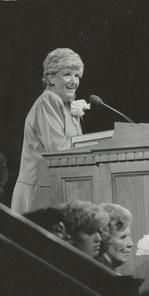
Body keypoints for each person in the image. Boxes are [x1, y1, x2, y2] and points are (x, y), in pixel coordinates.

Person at [11, 48, 89, 214]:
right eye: (67, 74)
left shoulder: (67, 105)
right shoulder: (49, 100)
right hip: (39, 190)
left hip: (57, 185)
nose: (73, 81)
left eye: (77, 76)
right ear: (51, 77)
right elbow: (58, 151)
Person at [96, 203, 134, 271]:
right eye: (123, 237)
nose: (131, 244)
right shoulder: (100, 275)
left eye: (128, 236)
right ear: (103, 239)